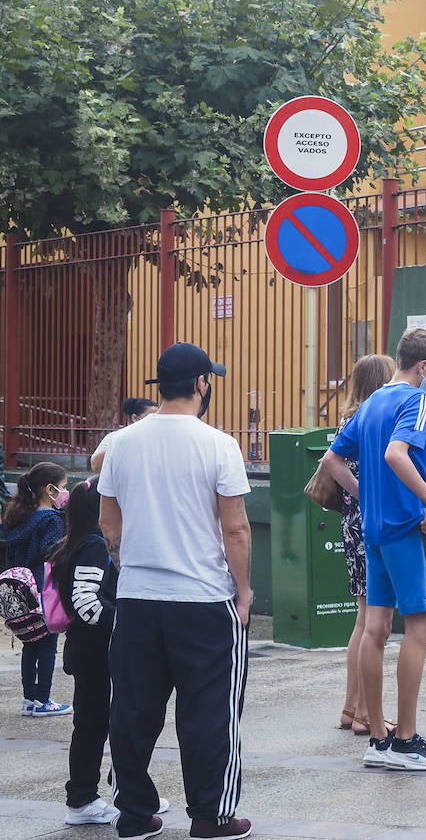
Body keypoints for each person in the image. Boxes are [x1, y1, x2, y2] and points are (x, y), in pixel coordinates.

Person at [99, 341, 253, 840]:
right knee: (210, 710)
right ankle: (211, 816)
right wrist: (244, 590)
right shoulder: (219, 444)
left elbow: (109, 525)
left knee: (133, 708)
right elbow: (236, 530)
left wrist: (132, 566)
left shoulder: (121, 443)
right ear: (201, 384)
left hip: (138, 597)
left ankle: (135, 813)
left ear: (160, 387)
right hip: (205, 599)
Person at [322, 328, 426, 771]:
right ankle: (407, 739)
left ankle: (378, 738)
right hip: (404, 528)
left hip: (374, 529)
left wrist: (366, 497)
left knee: (375, 627)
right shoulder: (416, 400)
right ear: (424, 366)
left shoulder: (373, 400)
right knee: (420, 628)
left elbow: (331, 460)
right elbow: (398, 454)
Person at [49, 477, 167, 825]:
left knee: (114, 721)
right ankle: (83, 798)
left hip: (95, 651)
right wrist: (130, 624)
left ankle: (125, 788)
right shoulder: (92, 546)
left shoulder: (85, 543)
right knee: (95, 723)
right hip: (97, 653)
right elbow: (86, 602)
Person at [333, 354, 397, 737]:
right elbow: (332, 463)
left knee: (363, 616)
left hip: (352, 522)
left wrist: (357, 497)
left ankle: (351, 707)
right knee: (371, 621)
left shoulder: (351, 418)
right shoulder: (374, 419)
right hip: (370, 522)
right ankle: (362, 714)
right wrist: (368, 497)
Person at [2, 461, 72, 718]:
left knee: (30, 645)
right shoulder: (52, 520)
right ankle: (43, 700)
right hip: (43, 589)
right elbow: (51, 553)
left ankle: (29, 699)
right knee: (48, 646)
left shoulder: (18, 517)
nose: (66, 492)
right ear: (49, 489)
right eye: (63, 487)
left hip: (20, 592)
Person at [90, 397, 159, 473]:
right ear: (135, 418)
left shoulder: (157, 439)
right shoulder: (115, 437)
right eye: (151, 417)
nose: (155, 421)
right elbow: (96, 466)